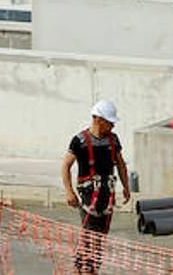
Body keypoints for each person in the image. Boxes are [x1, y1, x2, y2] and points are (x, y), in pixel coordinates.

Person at [61, 99, 131, 274]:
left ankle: (90, 270)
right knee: (89, 234)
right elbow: (66, 166)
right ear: (98, 119)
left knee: (100, 236)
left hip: (107, 195)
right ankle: (83, 270)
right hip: (88, 196)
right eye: (110, 122)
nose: (113, 126)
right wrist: (69, 192)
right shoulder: (80, 141)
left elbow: (121, 164)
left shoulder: (113, 140)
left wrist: (126, 187)